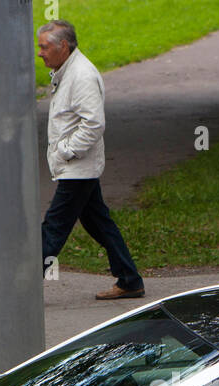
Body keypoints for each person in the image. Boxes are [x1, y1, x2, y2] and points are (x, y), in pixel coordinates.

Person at [36, 19, 146, 300]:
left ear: (63, 46)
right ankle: (130, 280)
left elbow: (94, 125)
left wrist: (65, 152)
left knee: (53, 228)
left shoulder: (81, 75)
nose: (40, 53)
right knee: (99, 223)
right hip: (77, 166)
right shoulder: (67, 70)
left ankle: (19, 287)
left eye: (44, 47)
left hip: (78, 168)